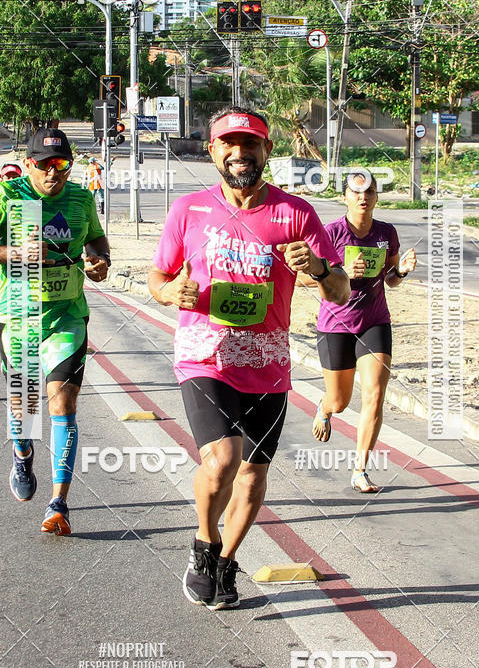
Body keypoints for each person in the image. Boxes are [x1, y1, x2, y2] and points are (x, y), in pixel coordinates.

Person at [148, 106, 350, 610]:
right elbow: (157, 279)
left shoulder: (296, 213)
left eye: (252, 144)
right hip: (205, 355)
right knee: (223, 460)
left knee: (254, 473)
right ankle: (203, 543)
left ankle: (226, 560)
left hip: (269, 362)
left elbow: (341, 292)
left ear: (267, 150)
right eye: (229, 145)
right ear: (213, 151)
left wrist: (321, 268)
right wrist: (171, 292)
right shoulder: (188, 210)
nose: (241, 154)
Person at [0, 128, 111, 535]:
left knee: (61, 401)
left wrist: (100, 261)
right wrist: (14, 252)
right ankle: (22, 451)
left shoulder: (80, 198)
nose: (52, 172)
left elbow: (97, 241)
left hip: (66, 315)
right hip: (20, 315)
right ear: (29, 164)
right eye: (43, 164)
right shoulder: (10, 196)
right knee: (25, 409)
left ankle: (58, 502)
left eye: (60, 164)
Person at [309, 171, 417, 492]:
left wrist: (403, 271)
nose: (363, 198)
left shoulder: (386, 233)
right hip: (335, 324)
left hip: (374, 320)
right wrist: (340, 269)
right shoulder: (330, 233)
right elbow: (309, 278)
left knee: (374, 395)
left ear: (376, 198)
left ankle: (360, 470)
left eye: (369, 192)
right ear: (345, 198)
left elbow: (391, 280)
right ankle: (325, 408)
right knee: (340, 401)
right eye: (356, 193)